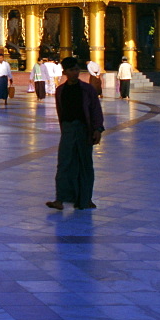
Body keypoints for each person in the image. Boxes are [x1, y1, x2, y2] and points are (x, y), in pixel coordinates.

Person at [46, 57, 104, 211]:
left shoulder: (88, 89)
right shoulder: (61, 90)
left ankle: (85, 199)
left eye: (77, 69)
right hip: (68, 130)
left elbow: (96, 110)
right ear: (65, 72)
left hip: (84, 130)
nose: (75, 73)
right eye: (72, 70)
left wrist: (97, 129)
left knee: (85, 164)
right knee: (64, 164)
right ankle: (60, 199)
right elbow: (60, 112)